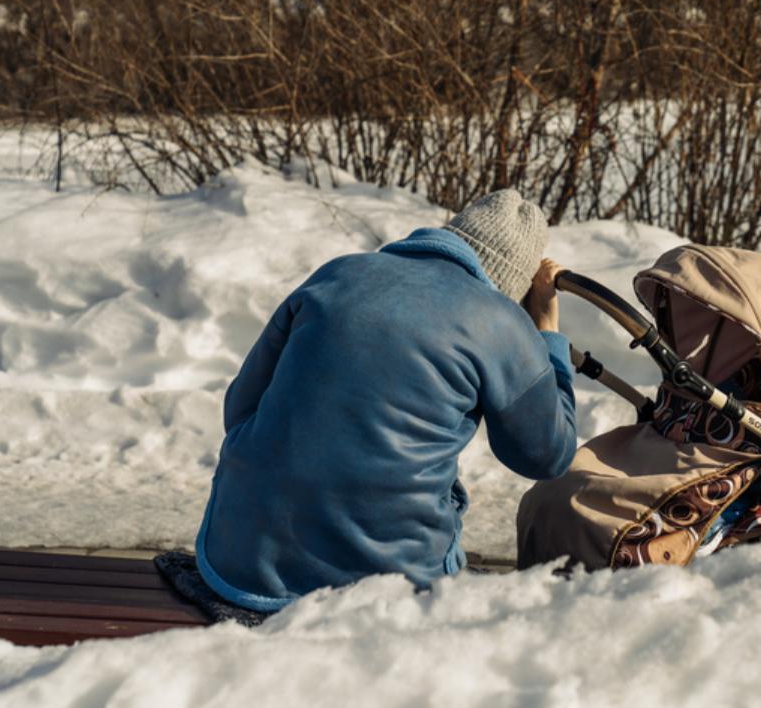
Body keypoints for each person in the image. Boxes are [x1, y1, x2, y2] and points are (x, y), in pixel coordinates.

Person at [193, 190, 578, 612]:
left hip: (238, 561)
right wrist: (546, 335)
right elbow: (546, 456)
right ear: (512, 283)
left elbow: (239, 409)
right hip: (390, 581)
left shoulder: (338, 273)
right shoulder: (500, 321)